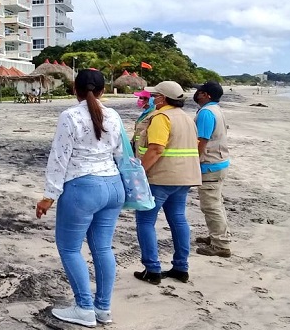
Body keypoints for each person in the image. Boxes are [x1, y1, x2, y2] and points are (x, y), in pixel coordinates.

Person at [36, 69, 125, 327]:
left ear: (75, 89)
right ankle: (103, 309)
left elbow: (59, 157)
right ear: (102, 90)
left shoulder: (70, 116)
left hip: (83, 187)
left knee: (70, 248)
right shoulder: (114, 114)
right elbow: (120, 152)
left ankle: (84, 307)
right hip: (113, 185)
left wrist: (48, 196)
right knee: (103, 248)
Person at [134, 81, 202, 285]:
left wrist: (140, 173)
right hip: (184, 178)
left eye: (154, 96)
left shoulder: (161, 117)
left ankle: (152, 269)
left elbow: (156, 149)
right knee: (178, 220)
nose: (152, 99)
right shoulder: (187, 118)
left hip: (161, 177)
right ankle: (181, 267)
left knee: (145, 222)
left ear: (162, 98)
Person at [193, 81, 232, 257]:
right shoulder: (215, 109)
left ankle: (220, 245)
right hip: (219, 162)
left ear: (206, 95)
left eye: (200, 91)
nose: (197, 93)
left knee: (211, 206)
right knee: (217, 203)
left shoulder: (206, 113)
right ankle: (218, 236)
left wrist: (194, 162)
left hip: (210, 165)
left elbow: (202, 141)